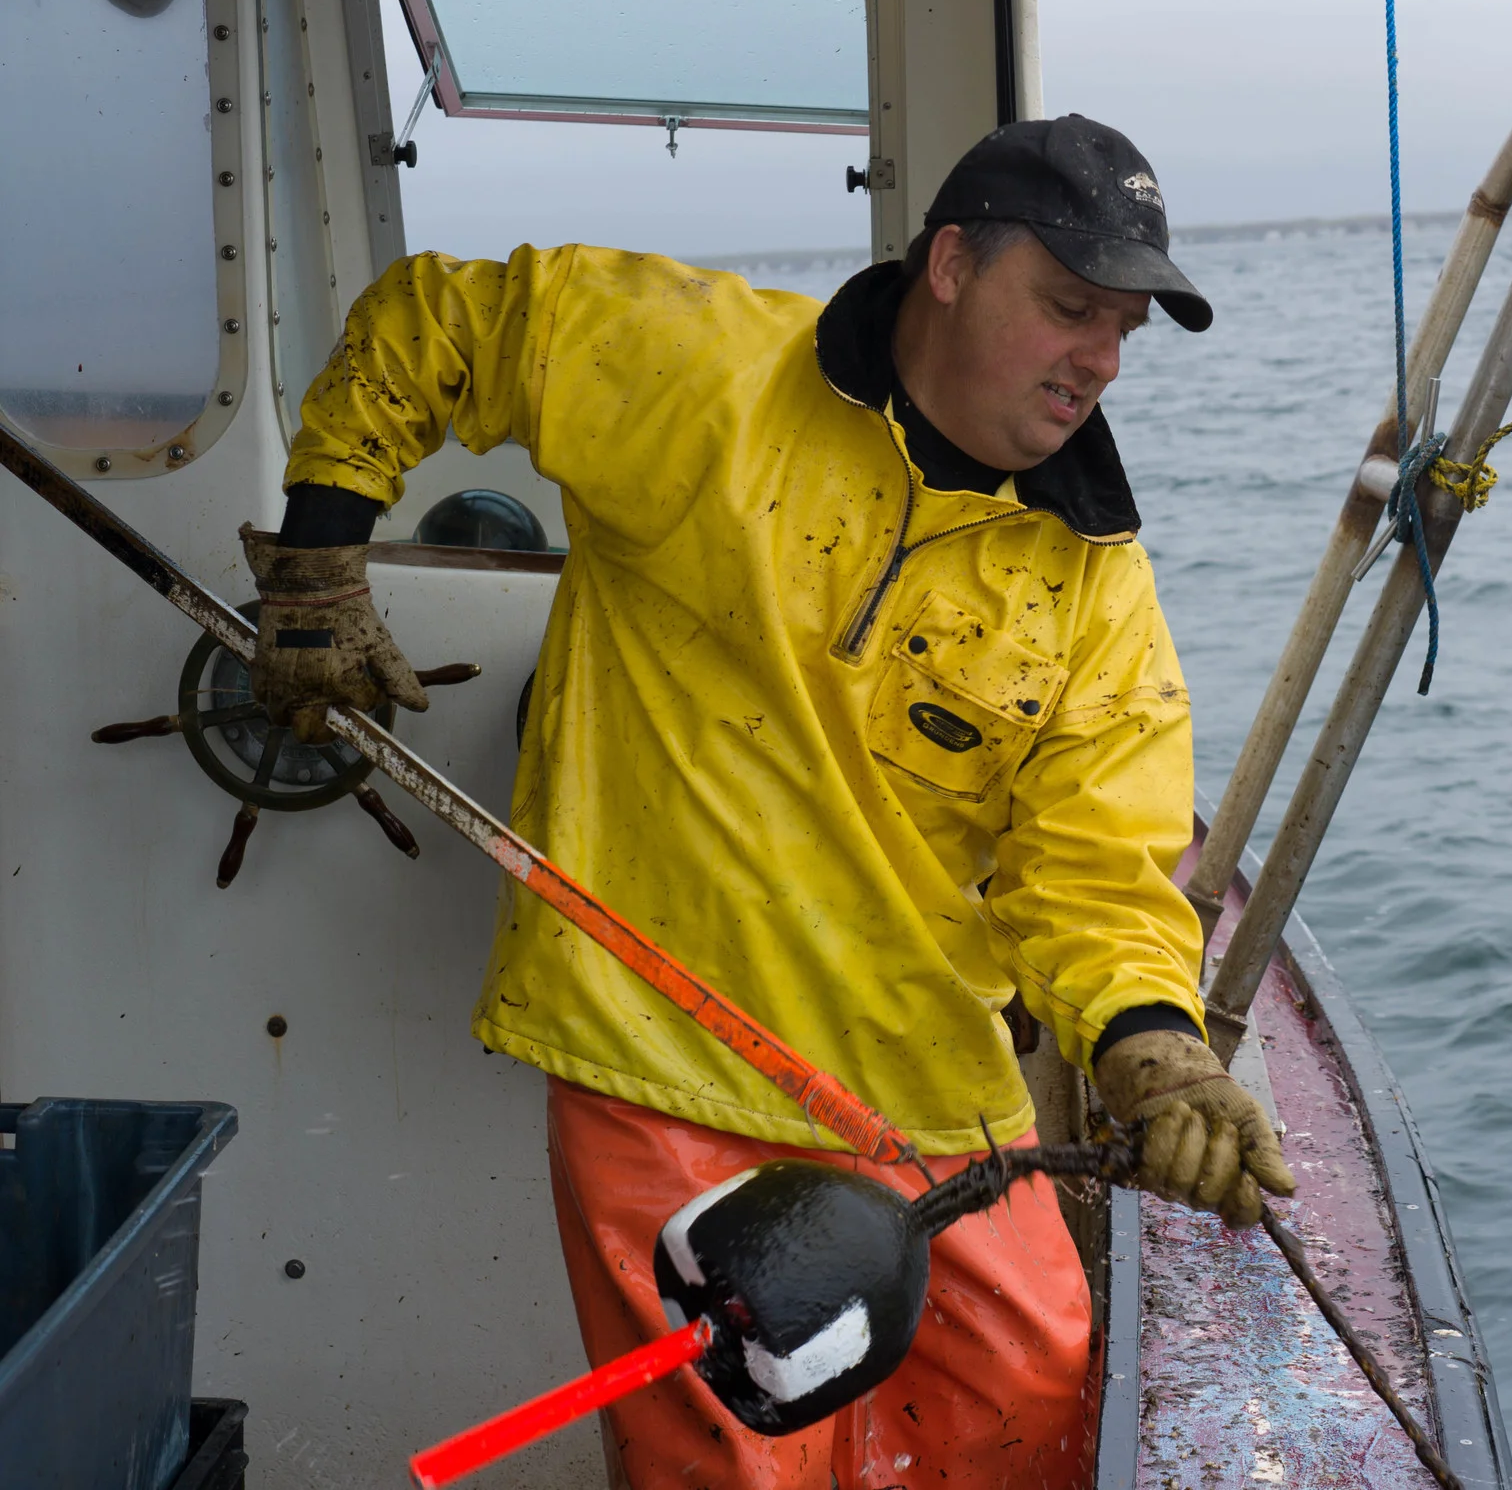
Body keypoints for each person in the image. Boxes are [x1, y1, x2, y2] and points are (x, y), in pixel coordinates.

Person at [245, 115, 1293, 1489]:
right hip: (659, 1043)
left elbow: (1098, 868)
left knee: (1028, 1391)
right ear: (952, 266)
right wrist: (319, 560)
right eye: (1069, 307)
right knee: (729, 1460)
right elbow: (438, 320)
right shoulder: (699, 370)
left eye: (1123, 329)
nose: (1099, 358)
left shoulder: (1096, 583)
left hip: (923, 1076)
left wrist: (1157, 1053)